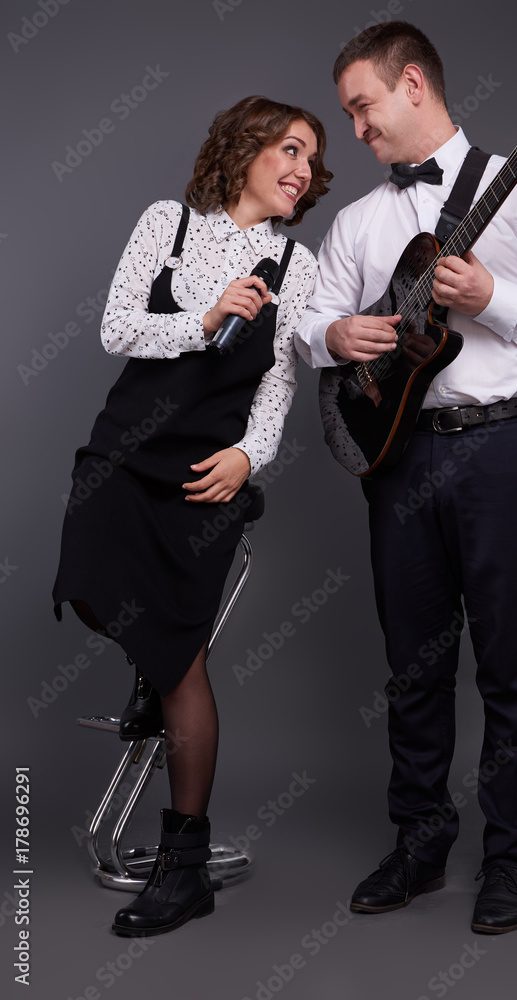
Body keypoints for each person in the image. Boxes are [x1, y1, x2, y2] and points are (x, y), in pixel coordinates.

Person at [295, 23, 517, 934]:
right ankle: (419, 843)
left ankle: (510, 859)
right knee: (412, 666)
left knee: (509, 662)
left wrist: (492, 300)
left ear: (413, 85)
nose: (354, 130)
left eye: (362, 108)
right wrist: (332, 335)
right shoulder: (358, 221)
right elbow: (309, 324)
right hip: (398, 455)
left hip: (501, 450)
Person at [53, 95, 331, 936]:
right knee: (86, 583)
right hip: (122, 454)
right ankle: (149, 664)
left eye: (312, 158)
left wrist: (250, 456)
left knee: (182, 666)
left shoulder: (296, 264)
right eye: (289, 149)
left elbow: (278, 383)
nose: (303, 169)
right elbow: (115, 329)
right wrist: (204, 319)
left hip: (203, 476)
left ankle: (184, 867)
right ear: (244, 149)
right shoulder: (166, 225)